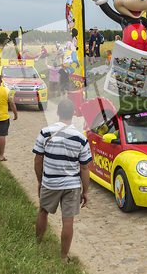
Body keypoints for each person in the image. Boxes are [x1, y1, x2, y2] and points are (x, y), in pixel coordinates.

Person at [34, 99, 92, 263]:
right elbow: (85, 168)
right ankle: (63, 257)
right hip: (72, 185)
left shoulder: (45, 132)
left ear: (57, 113)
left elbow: (38, 161)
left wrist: (40, 181)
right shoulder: (81, 138)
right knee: (68, 220)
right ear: (73, 114)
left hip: (50, 182)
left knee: (43, 211)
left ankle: (37, 246)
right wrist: (85, 191)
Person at [0, 74, 18, 161]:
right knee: (2, 136)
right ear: (1, 81)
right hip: (3, 117)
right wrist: (15, 114)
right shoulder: (6, 90)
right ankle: (1, 156)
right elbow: (12, 104)